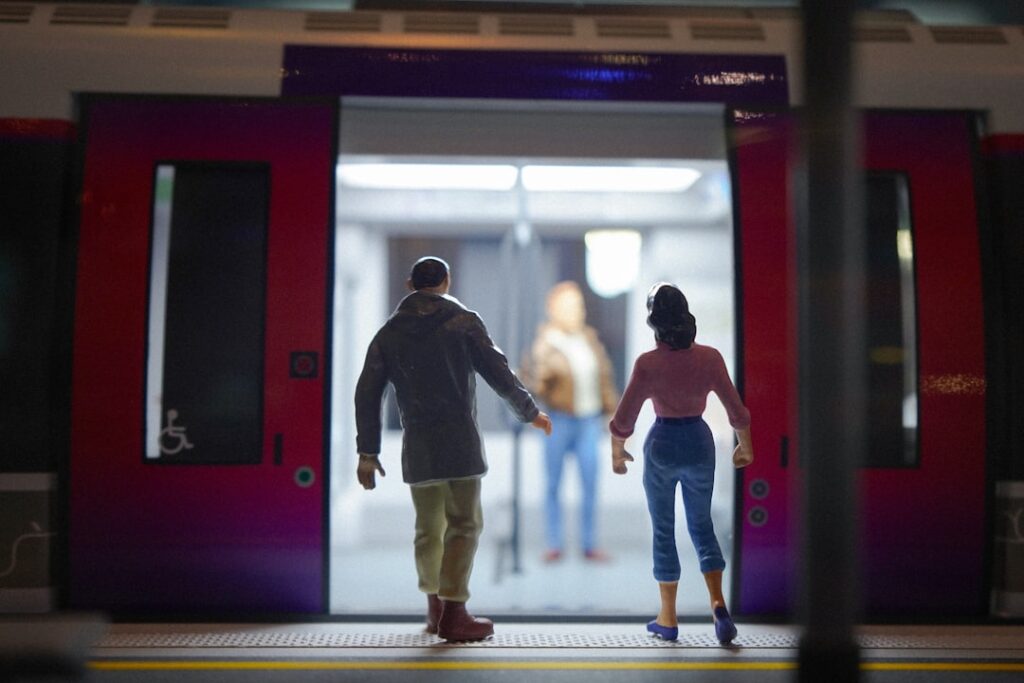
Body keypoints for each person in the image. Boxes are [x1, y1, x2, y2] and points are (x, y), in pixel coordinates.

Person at [354, 256, 552, 642]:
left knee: (428, 528)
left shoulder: (389, 333)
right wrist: (530, 413)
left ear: (411, 283)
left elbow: (367, 393)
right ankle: (455, 611)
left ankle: (435, 606)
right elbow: (500, 372)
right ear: (447, 281)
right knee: (464, 524)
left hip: (419, 445)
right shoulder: (464, 322)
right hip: (460, 442)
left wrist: (368, 452)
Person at [609, 282, 753, 645]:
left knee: (663, 528)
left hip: (662, 443)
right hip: (699, 442)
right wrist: (745, 446)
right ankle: (719, 605)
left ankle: (668, 618)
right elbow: (737, 410)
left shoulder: (648, 363)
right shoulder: (710, 358)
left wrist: (618, 451)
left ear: (654, 320)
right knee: (702, 525)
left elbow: (624, 417)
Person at [526, 281, 618, 562]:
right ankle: (554, 543)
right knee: (553, 483)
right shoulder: (546, 342)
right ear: (553, 309)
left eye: (578, 305)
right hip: (559, 419)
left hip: (589, 421)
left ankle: (589, 543)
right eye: (568, 306)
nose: (576, 311)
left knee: (590, 482)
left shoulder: (589, 339)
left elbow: (604, 378)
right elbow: (533, 382)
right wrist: (543, 374)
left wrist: (613, 412)